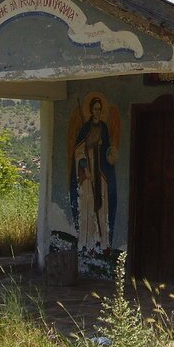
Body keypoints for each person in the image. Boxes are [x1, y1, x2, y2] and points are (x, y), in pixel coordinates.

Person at [69, 97, 118, 249]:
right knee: (88, 204)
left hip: (101, 171)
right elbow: (78, 151)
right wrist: (85, 168)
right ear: (90, 110)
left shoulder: (104, 127)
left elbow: (108, 150)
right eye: (95, 109)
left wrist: (111, 155)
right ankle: (87, 242)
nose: (97, 111)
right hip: (88, 171)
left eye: (99, 109)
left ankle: (102, 242)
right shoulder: (85, 128)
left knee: (102, 206)